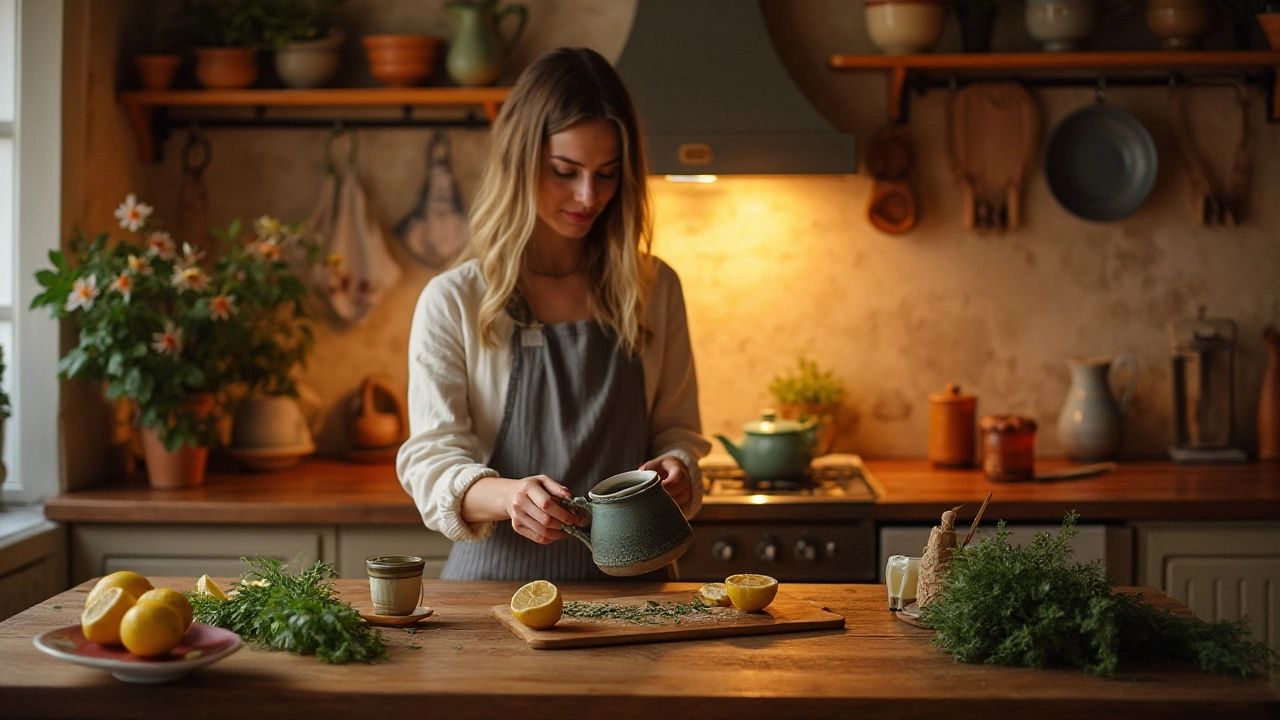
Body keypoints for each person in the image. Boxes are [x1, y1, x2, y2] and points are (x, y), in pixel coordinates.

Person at [396, 47, 711, 582]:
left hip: (642, 600)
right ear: (520, 164)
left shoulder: (654, 288)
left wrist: (680, 470)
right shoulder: (454, 299)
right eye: (564, 171)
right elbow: (430, 464)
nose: (588, 196)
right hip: (494, 598)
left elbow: (678, 432)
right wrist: (508, 496)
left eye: (607, 174)